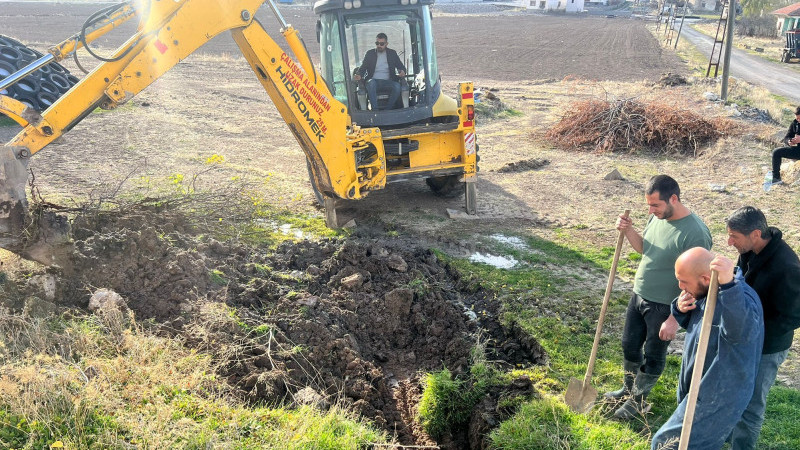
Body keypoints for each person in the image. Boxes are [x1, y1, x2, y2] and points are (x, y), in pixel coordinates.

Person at [604, 175, 712, 420]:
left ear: (673, 198)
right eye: (648, 205)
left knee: (653, 353)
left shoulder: (695, 233)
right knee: (629, 345)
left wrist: (675, 317)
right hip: (640, 294)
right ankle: (628, 390)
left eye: (656, 205)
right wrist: (628, 230)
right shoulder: (656, 217)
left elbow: (699, 283)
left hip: (665, 304)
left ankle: (637, 401)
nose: (651, 211)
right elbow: (646, 249)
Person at [650, 248, 764, 450]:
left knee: (665, 444)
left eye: (684, 281)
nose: (680, 286)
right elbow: (703, 329)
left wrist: (729, 286)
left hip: (718, 395)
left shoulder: (740, 298)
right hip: (697, 382)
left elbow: (740, 333)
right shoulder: (707, 291)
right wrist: (680, 309)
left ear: (705, 278)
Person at [724, 206, 800, 449]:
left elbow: (794, 316)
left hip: (767, 348)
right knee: (735, 393)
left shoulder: (787, 267)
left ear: (755, 234)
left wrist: (754, 331)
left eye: (734, 236)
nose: (729, 242)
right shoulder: (751, 250)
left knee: (752, 404)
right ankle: (727, 435)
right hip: (744, 340)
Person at [353, 33, 407, 111]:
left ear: (386, 44)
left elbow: (401, 67)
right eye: (377, 43)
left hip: (388, 81)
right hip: (373, 81)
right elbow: (363, 68)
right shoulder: (370, 54)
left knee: (397, 86)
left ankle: (388, 110)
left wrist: (402, 71)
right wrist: (359, 74)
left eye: (382, 44)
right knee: (371, 83)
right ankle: (375, 110)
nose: (379, 45)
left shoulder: (392, 53)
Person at [764, 105, 800, 189]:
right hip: (798, 151)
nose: (798, 120)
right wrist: (789, 141)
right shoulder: (795, 123)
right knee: (776, 152)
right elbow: (786, 137)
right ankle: (776, 178)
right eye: (797, 118)